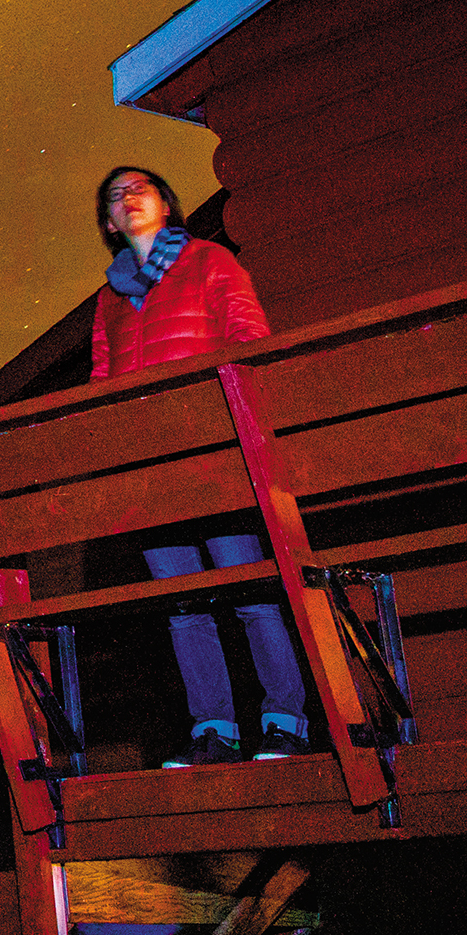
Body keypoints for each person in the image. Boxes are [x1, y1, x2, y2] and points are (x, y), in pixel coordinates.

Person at [91, 166, 314, 767]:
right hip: (151, 470)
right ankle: (214, 731)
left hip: (217, 454)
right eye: (115, 198)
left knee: (249, 592)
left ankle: (285, 723)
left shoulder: (209, 261)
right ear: (110, 225)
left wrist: (234, 427)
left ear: (166, 204)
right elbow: (100, 386)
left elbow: (248, 336)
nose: (128, 199)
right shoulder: (110, 299)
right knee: (183, 606)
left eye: (139, 188)